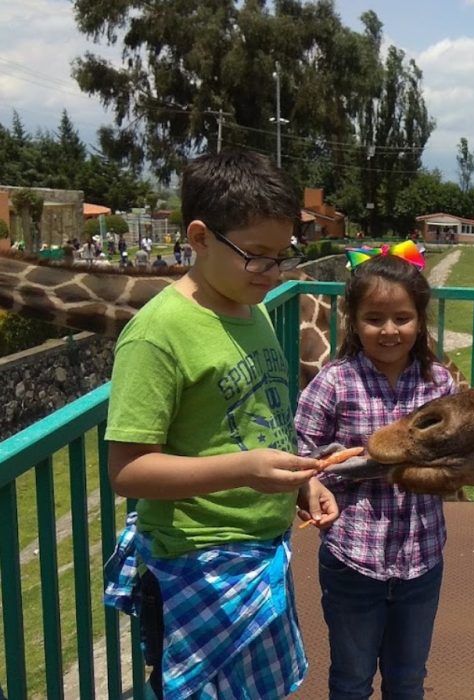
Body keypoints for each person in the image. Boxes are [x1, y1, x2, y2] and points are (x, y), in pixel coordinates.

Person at [102, 149, 337, 699]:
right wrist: (245, 470)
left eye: (281, 255)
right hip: (196, 563)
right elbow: (129, 471)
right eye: (257, 255)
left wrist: (300, 479)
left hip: (261, 551)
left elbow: (257, 422)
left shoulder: (248, 308)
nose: (273, 273)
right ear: (200, 237)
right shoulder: (158, 335)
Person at [295, 251, 456, 700]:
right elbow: (301, 454)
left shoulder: (439, 384)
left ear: (420, 321)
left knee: (408, 679)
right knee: (351, 679)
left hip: (421, 556)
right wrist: (318, 479)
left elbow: (457, 457)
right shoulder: (333, 382)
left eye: (402, 317)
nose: (389, 331)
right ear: (352, 321)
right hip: (352, 557)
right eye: (374, 318)